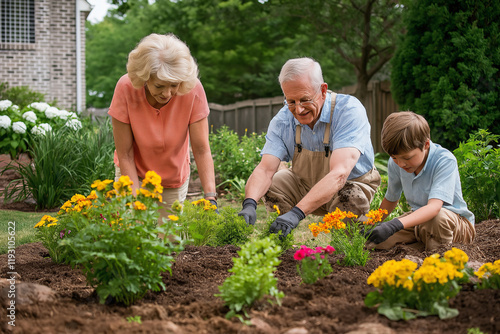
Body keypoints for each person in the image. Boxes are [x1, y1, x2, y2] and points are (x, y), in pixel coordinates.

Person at [238, 57, 381, 238]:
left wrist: (297, 213)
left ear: (322, 90)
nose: (298, 110)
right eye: (291, 101)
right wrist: (249, 203)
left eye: (304, 100)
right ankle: (281, 238)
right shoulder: (283, 120)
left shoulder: (348, 111)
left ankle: (346, 249)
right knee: (273, 183)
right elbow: (265, 169)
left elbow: (339, 175)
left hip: (348, 185)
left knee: (349, 196)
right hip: (305, 183)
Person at [108, 33, 218, 223]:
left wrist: (210, 197)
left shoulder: (192, 89)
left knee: (168, 243)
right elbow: (125, 153)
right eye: (159, 86)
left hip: (172, 178)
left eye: (173, 85)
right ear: (144, 77)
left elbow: (201, 149)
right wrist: (134, 201)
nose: (167, 93)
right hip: (133, 172)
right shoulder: (126, 88)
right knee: (131, 236)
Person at [366, 111, 475, 251]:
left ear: (426, 145)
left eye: (407, 158)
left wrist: (393, 225)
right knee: (376, 242)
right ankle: (420, 248)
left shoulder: (444, 161)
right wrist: (374, 225)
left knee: (437, 219)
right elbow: (391, 198)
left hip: (455, 225)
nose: (400, 164)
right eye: (394, 157)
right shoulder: (396, 163)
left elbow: (434, 208)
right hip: (420, 221)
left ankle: (439, 258)